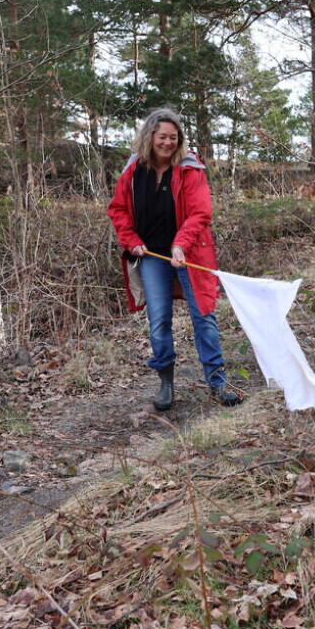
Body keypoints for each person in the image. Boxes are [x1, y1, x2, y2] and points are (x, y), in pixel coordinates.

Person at [107, 108, 242, 410]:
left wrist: (180, 244)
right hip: (152, 256)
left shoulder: (190, 168)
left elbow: (200, 212)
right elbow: (118, 209)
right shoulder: (133, 170)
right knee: (159, 321)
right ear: (150, 137)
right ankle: (166, 382)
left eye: (173, 137)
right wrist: (132, 241)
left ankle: (218, 383)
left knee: (204, 317)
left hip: (191, 253)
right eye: (162, 137)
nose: (168, 143)